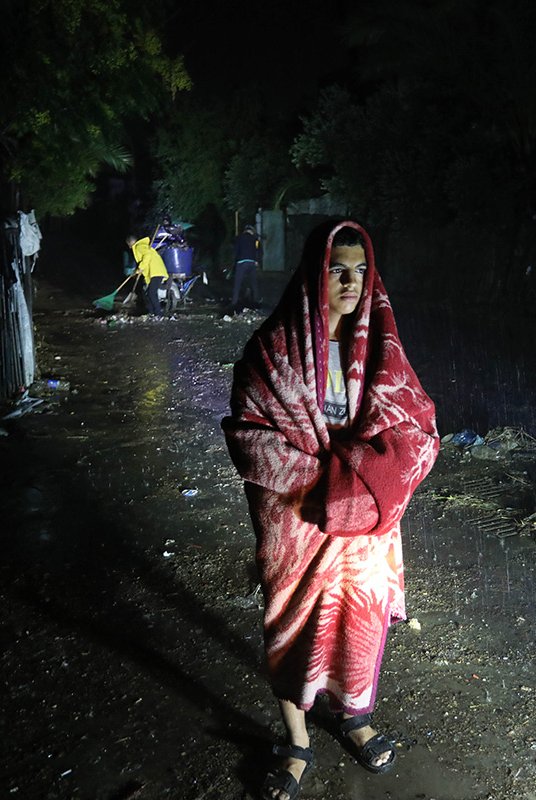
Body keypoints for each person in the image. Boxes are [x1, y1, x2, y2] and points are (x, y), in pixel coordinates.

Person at [222, 221, 440, 800]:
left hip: (365, 522)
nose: (350, 282)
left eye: (360, 270)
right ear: (313, 275)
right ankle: (297, 740)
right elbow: (251, 436)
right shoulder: (273, 351)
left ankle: (353, 715)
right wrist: (329, 485)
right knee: (294, 626)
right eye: (337, 270)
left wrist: (370, 484)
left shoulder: (382, 352)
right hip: (302, 519)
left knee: (361, 619)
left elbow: (418, 424)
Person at [126, 233, 168, 317]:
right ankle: (151, 313)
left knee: (152, 294)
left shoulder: (139, 246)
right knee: (150, 294)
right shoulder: (141, 246)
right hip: (153, 271)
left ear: (130, 243)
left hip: (156, 271)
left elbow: (147, 256)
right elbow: (145, 261)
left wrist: (140, 267)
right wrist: (137, 271)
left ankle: (159, 314)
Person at [230, 223, 262, 314]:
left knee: (237, 283)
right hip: (252, 262)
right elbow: (259, 251)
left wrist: (236, 260)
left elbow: (235, 251)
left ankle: (234, 302)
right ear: (251, 231)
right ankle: (257, 302)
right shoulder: (255, 239)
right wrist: (257, 261)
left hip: (241, 263)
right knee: (254, 283)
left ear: (245, 231)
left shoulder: (239, 238)